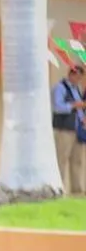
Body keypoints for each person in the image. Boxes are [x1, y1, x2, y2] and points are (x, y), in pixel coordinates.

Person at [51, 64, 86, 195]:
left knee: (78, 160)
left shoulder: (76, 89)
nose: (78, 79)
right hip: (64, 129)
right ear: (71, 74)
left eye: (80, 77)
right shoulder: (60, 88)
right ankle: (60, 189)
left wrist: (83, 118)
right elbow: (58, 107)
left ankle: (77, 190)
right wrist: (73, 105)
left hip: (77, 128)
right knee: (62, 158)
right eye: (76, 76)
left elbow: (80, 109)